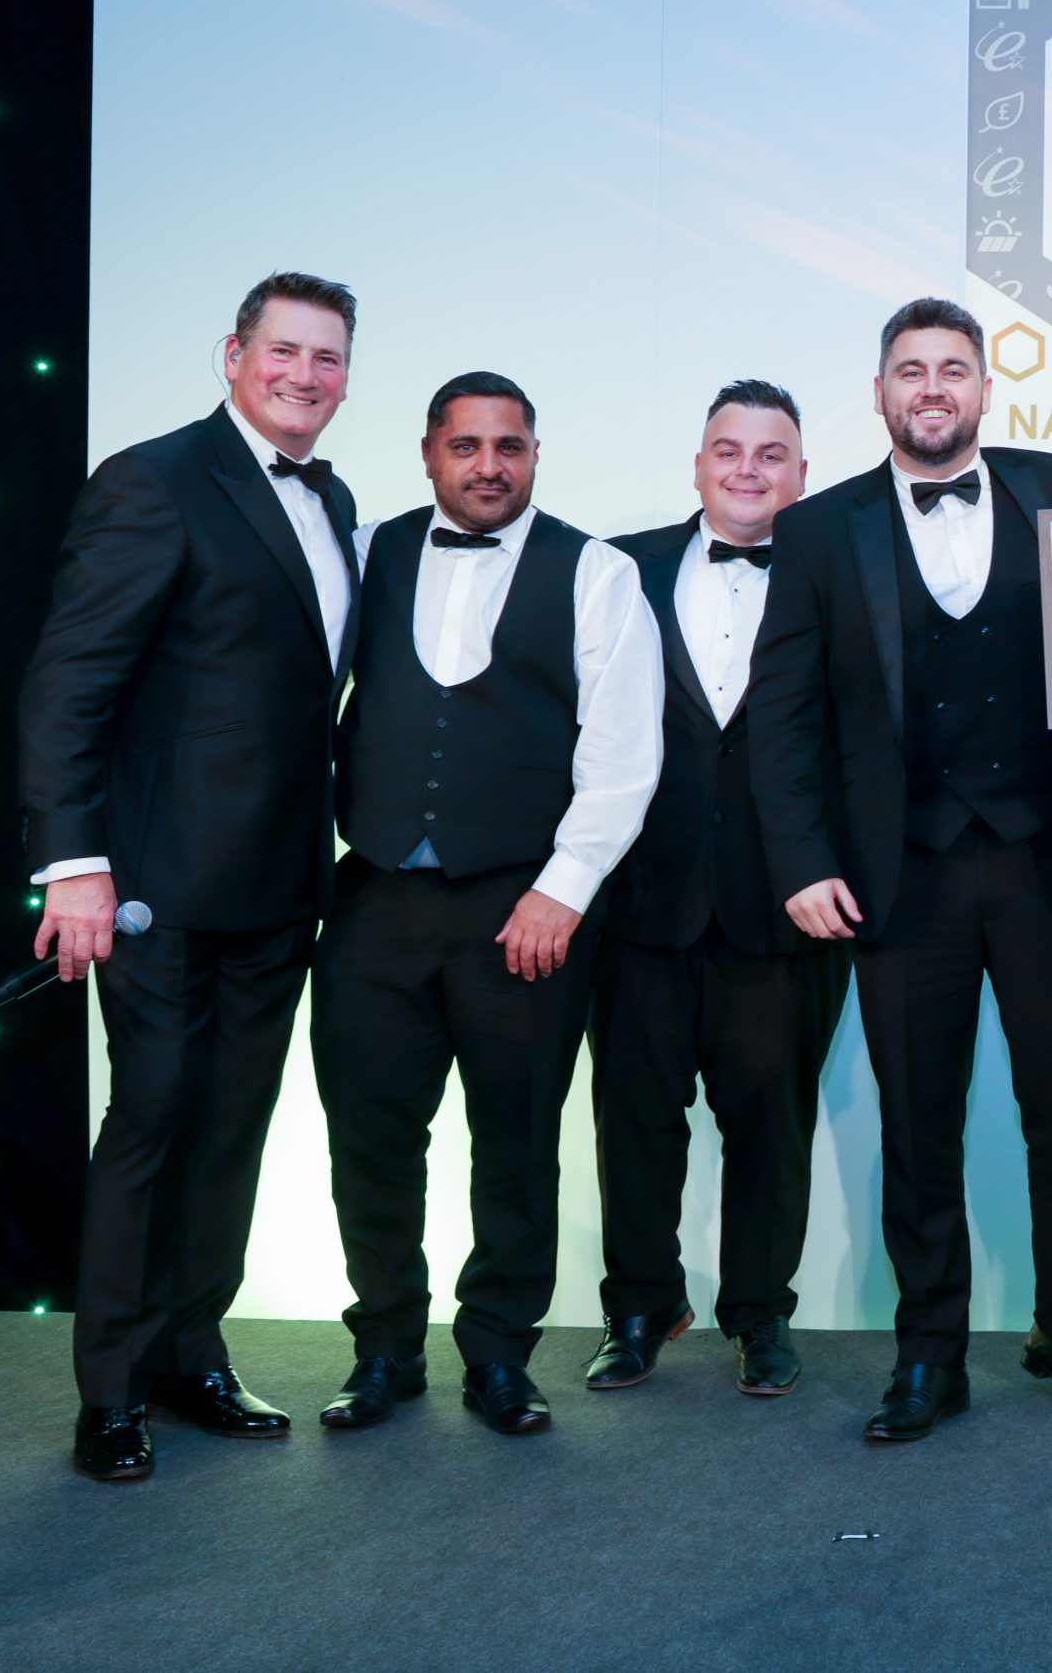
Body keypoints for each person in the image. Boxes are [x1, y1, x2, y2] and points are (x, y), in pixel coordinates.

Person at [752, 298, 1052, 1440]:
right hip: (896, 873)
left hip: (1047, 866)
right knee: (918, 1123)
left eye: (952, 370)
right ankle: (929, 1354)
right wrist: (803, 863)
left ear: (982, 389)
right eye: (909, 371)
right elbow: (784, 715)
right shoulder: (819, 530)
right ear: (878, 394)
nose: (931, 389)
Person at [20, 272, 363, 1482]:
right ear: (233, 355)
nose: (305, 377)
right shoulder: (153, 480)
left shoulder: (337, 500)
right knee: (154, 1120)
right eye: (284, 352)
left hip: (280, 887)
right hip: (155, 881)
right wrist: (74, 866)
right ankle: (109, 1388)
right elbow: (71, 684)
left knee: (231, 1129)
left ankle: (188, 1355)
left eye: (328, 358)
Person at [312, 372, 663, 1437]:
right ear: (428, 453)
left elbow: (623, 752)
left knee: (515, 1143)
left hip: (525, 908)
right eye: (465, 447)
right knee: (369, 1137)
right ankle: (383, 1349)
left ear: (535, 453)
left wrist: (561, 893)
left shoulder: (595, 572)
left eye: (507, 446)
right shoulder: (366, 553)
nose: (488, 466)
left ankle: (500, 1353)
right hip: (376, 898)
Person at [582, 381, 850, 1397]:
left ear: (800, 474)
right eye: (727, 451)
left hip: (788, 908)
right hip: (643, 900)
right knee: (635, 1122)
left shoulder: (839, 573)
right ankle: (640, 1306)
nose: (747, 469)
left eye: (770, 453)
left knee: (771, 1125)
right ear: (697, 465)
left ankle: (760, 1316)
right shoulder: (619, 568)